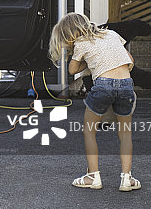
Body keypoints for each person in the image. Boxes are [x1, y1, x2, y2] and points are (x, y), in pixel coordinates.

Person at [49, 12, 142, 192]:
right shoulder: (111, 34)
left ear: (70, 33)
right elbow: (130, 60)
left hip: (103, 86)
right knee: (125, 133)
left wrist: (87, 62)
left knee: (89, 131)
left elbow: (72, 70)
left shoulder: (81, 43)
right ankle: (126, 179)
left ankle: (93, 177)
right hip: (126, 85)